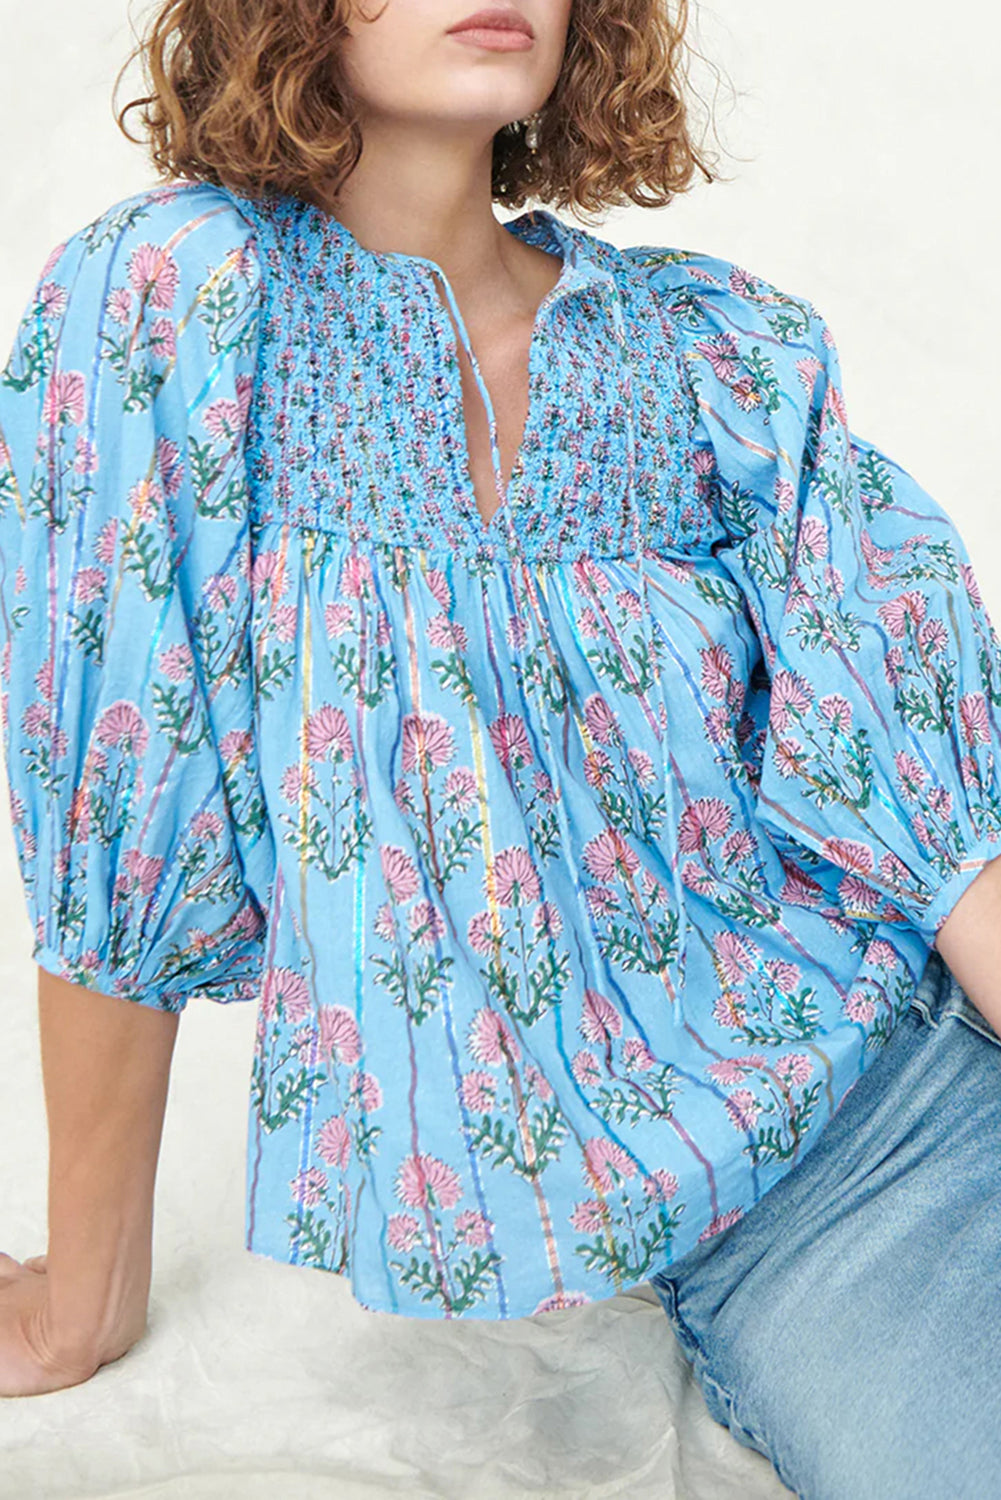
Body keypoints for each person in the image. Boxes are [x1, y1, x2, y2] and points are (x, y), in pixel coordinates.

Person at [0, 0, 999, 1488]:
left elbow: (914, 770)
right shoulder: (176, 300)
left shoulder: (705, 345)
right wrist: (88, 1291)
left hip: (915, 1055)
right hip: (807, 1209)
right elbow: (112, 801)